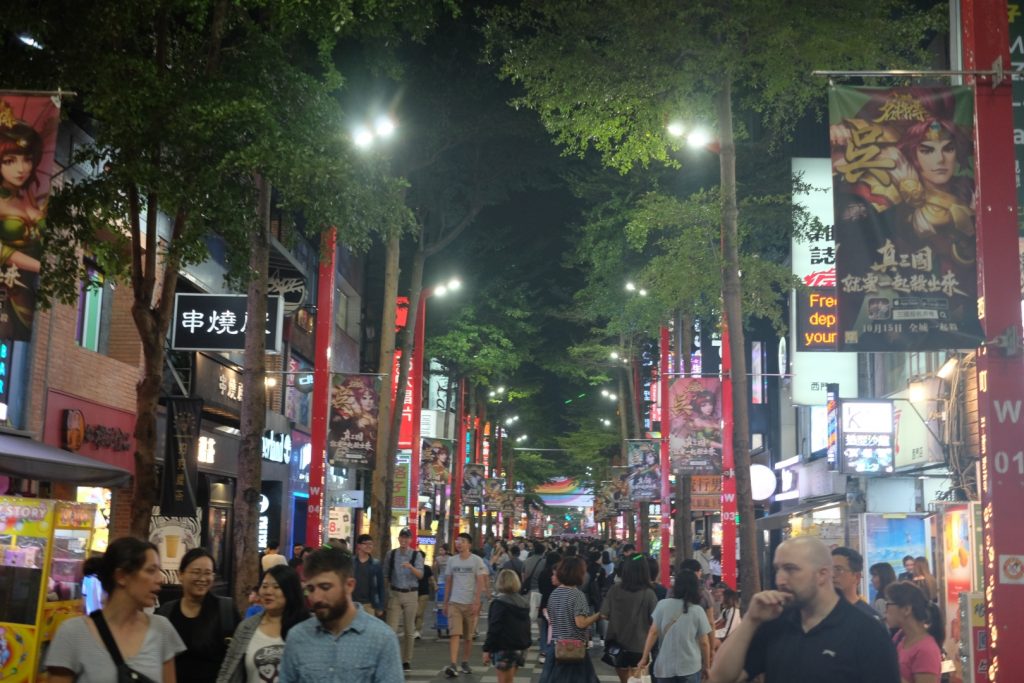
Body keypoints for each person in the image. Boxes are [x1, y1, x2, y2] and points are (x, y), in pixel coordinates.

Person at [707, 536, 899, 683]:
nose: (780, 580)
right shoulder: (776, 623)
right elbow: (720, 677)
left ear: (822, 574)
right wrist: (751, 620)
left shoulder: (867, 631)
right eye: (777, 569)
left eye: (791, 569)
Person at [46, 537, 185, 682]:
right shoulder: (73, 633)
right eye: (151, 571)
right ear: (121, 576)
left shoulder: (162, 629)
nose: (160, 579)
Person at [279, 547, 402, 683]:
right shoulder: (298, 636)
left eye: (325, 587)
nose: (316, 597)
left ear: (349, 585)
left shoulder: (381, 639)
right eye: (311, 589)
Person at [157, 547, 239, 682]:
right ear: (181, 575)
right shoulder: (166, 612)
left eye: (208, 573)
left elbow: (237, 656)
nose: (202, 578)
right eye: (196, 572)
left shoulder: (226, 610)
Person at [216, 564, 309, 683]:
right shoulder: (246, 627)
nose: (268, 592)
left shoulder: (308, 627)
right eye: (264, 586)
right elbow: (228, 670)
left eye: (276, 587)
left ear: (290, 591)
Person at [639, 568, 711, 683]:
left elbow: (653, 633)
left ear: (676, 586)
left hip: (665, 667)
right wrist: (706, 666)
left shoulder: (662, 605)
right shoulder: (697, 610)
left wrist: (644, 657)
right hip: (690, 667)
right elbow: (704, 643)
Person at [537, 556, 603, 683]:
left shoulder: (555, 593)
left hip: (557, 647)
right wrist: (598, 615)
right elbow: (581, 623)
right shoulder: (577, 595)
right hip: (573, 648)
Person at [601, 551, 658, 682]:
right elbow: (654, 621)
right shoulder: (649, 593)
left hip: (617, 646)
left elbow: (604, 614)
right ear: (645, 571)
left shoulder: (614, 589)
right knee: (637, 681)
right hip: (640, 646)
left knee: (624, 681)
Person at [442, 532, 490, 678]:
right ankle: (453, 664)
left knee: (468, 636)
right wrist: (445, 602)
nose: (459, 543)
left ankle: (464, 661)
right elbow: (448, 582)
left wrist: (477, 601)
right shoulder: (452, 561)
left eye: (462, 541)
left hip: (470, 603)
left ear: (469, 544)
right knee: (454, 633)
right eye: (457, 541)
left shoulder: (476, 561)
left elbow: (480, 581)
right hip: (454, 602)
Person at [884, 581, 944, 683]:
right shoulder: (900, 636)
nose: (885, 610)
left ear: (906, 609)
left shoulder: (926, 649)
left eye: (888, 604)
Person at [383, 528, 424, 671]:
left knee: (409, 630)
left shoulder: (416, 555)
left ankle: (406, 660)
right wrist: (386, 593)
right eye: (402, 537)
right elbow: (386, 574)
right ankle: (391, 658)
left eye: (407, 538)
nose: (404, 540)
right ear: (399, 538)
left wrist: (411, 567)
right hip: (395, 593)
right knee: (391, 629)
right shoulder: (391, 554)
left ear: (410, 540)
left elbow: (420, 575)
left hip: (411, 594)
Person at [482, 569, 532, 683]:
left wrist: (486, 648)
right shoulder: (524, 602)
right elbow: (527, 624)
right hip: (520, 646)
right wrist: (527, 643)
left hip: (503, 647)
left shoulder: (499, 603)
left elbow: (494, 627)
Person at [832, 546, 886, 627]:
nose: (832, 575)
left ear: (857, 577)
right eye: (829, 570)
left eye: (838, 570)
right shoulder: (820, 614)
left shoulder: (870, 618)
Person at [536, 550, 563, 664]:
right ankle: (555, 650)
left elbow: (540, 588)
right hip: (558, 603)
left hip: (545, 602)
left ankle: (544, 651)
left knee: (545, 628)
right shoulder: (560, 574)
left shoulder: (543, 573)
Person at [352, 533, 385, 618]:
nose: (369, 546)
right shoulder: (351, 562)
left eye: (371, 544)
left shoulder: (376, 564)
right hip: (352, 604)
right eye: (365, 544)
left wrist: (380, 606)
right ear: (359, 545)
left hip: (369, 605)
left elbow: (381, 587)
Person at [414, 556, 435, 640]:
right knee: (415, 612)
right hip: (413, 592)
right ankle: (416, 629)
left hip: (424, 592)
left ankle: (417, 630)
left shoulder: (427, 568)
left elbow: (431, 578)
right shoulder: (413, 568)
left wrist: (435, 586)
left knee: (419, 612)